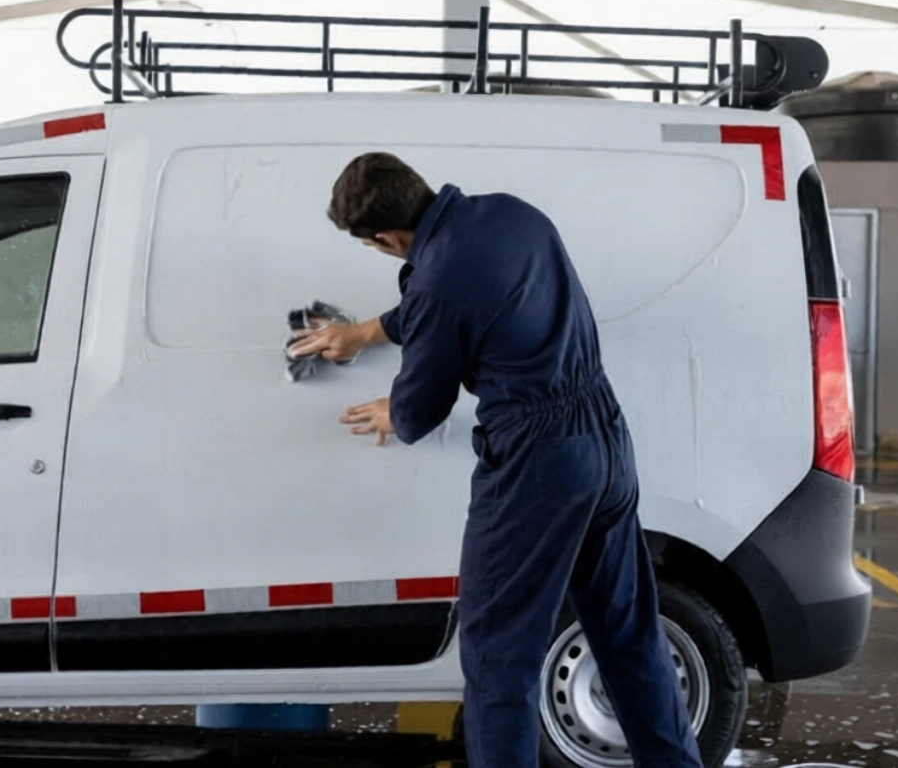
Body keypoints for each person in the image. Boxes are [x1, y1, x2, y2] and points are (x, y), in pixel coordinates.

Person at [289, 152, 704, 768]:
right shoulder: (512, 216)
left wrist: (393, 411)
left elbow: (422, 405)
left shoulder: (436, 285)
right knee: (628, 634)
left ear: (385, 238)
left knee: (498, 660)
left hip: (539, 466)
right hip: (606, 438)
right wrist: (369, 331)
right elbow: (464, 298)